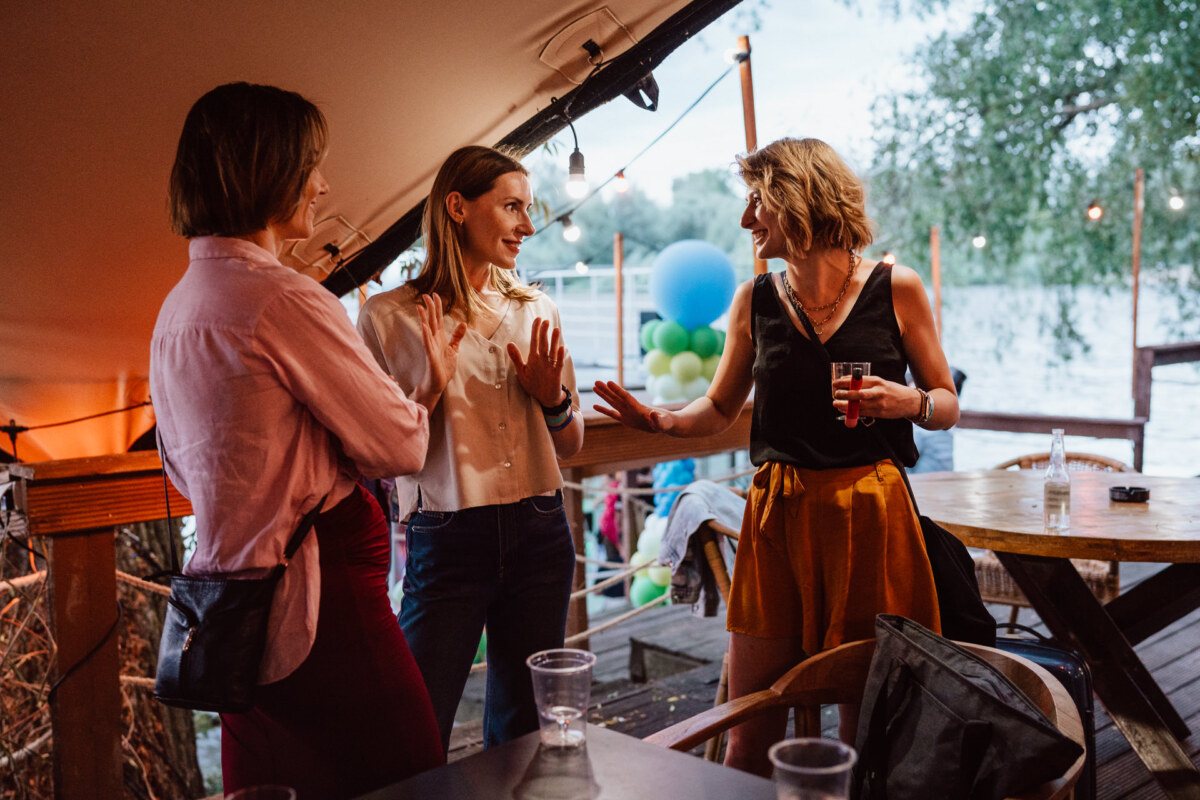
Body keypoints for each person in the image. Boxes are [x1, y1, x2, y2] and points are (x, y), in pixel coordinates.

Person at [593, 137, 959, 775]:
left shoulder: (896, 288)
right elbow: (717, 408)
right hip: (778, 515)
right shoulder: (753, 300)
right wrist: (658, 421)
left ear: (799, 199)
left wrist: (908, 402)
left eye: (757, 202)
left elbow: (947, 401)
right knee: (748, 728)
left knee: (861, 729)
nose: (746, 220)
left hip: (870, 513)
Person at [150, 82, 455, 797]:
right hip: (319, 600)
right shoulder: (283, 298)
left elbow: (185, 471)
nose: (323, 185)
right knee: (410, 777)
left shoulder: (177, 308)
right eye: (312, 165)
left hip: (232, 604)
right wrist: (428, 390)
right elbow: (400, 447)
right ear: (269, 170)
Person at [357, 145, 583, 753]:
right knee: (414, 724)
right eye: (512, 208)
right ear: (457, 206)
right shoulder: (387, 318)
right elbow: (376, 455)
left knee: (525, 729)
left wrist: (552, 398)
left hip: (540, 528)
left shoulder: (538, 308)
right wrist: (427, 389)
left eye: (528, 209)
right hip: (448, 537)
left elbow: (572, 441)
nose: (528, 227)